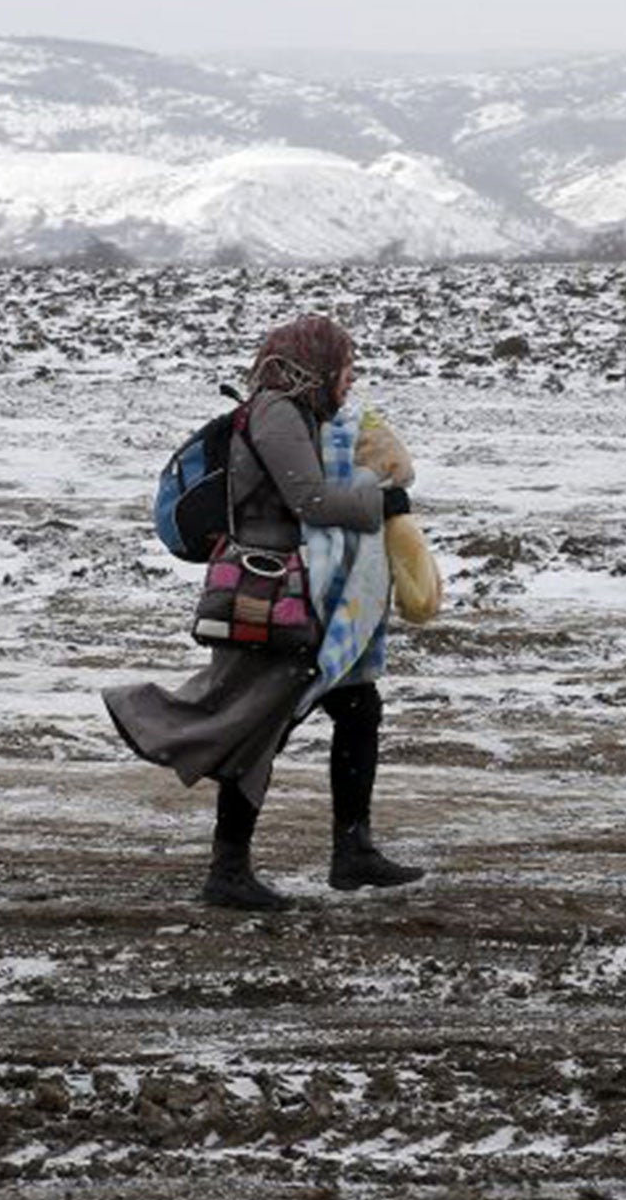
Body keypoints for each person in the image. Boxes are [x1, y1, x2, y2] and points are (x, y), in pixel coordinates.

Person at [104, 313, 424, 911]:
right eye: (345, 369)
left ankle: (350, 852)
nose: (350, 380)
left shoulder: (298, 413)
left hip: (292, 591)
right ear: (314, 365)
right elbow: (310, 500)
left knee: (355, 707)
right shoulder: (277, 411)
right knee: (256, 727)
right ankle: (225, 861)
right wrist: (383, 503)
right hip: (266, 593)